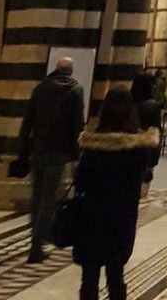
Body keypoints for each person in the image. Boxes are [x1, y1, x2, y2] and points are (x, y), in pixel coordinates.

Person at [73, 86, 159, 300]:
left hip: (92, 217)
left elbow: (80, 181)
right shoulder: (138, 149)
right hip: (121, 218)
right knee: (116, 276)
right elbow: (145, 175)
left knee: (89, 277)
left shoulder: (93, 146)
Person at [18, 55, 85, 263]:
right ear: (70, 71)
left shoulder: (40, 88)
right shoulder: (75, 90)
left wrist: (22, 151)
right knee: (48, 200)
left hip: (38, 149)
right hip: (59, 152)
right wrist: (77, 155)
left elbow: (27, 121)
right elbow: (77, 124)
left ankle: (35, 241)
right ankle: (37, 245)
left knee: (36, 197)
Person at [130, 73, 162, 187]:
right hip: (145, 149)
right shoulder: (153, 106)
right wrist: (154, 158)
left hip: (129, 146)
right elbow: (156, 130)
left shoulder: (128, 102)